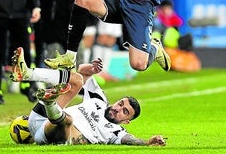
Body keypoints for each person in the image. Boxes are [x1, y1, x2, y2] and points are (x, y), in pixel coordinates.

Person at [11, 46, 166, 146]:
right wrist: (91, 69)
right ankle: (27, 73)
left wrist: (146, 143)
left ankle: (51, 102)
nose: (118, 108)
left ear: (126, 121)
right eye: (120, 104)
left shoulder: (116, 132)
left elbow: (130, 140)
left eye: (124, 112)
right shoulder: (99, 100)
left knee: (68, 121)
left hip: (53, 134)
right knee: (76, 80)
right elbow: (81, 71)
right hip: (38, 118)